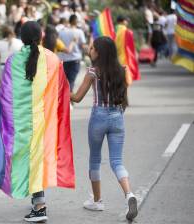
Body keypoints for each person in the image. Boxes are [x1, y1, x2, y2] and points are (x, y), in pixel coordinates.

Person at [0, 21, 75, 223]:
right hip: (45, 122)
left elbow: (5, 94)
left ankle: (40, 206)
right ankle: (38, 202)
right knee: (38, 161)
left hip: (21, 123)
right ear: (42, 36)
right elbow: (62, 90)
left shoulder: (13, 61)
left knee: (26, 161)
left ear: (22, 38)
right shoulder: (52, 59)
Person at [70, 36, 138, 221]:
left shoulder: (93, 71)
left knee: (95, 159)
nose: (89, 50)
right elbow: (125, 101)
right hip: (117, 117)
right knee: (117, 161)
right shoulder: (122, 70)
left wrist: (61, 89)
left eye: (92, 48)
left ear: (99, 52)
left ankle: (98, 201)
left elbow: (76, 98)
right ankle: (130, 195)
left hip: (98, 117)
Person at [58, 14, 86, 92]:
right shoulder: (79, 32)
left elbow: (59, 44)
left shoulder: (61, 32)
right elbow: (83, 46)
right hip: (75, 59)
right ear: (76, 21)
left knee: (65, 81)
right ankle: (69, 99)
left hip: (64, 59)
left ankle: (67, 99)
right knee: (71, 80)